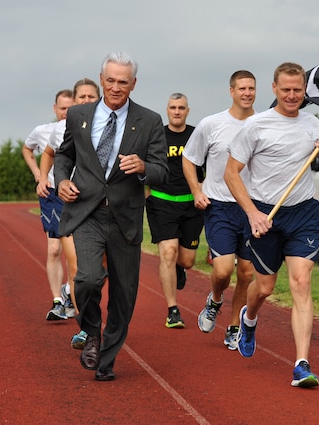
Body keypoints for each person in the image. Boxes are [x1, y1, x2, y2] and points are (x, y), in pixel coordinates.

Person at [223, 62, 319, 387]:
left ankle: (301, 364)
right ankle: (249, 319)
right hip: (264, 213)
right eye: (286, 89)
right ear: (274, 89)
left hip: (303, 213)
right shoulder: (256, 126)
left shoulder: (313, 123)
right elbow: (231, 174)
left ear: (305, 91)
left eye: (298, 90)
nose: (292, 95)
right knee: (264, 288)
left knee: (301, 283)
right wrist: (251, 213)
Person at [54, 52, 168, 381]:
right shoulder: (78, 115)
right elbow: (65, 155)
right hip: (86, 211)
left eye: (123, 82)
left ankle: (105, 360)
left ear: (133, 84)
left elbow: (162, 170)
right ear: (101, 79)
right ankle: (92, 332)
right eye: (111, 80)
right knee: (87, 279)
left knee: (124, 294)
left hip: (125, 216)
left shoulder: (149, 121)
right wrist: (62, 180)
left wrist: (145, 167)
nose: (116, 87)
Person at [182, 70, 256, 350]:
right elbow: (189, 161)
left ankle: (234, 326)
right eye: (242, 88)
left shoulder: (262, 124)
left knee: (247, 273)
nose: (247, 93)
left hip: (252, 208)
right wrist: (196, 191)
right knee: (224, 271)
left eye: (251, 88)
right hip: (219, 207)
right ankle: (214, 300)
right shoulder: (211, 124)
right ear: (231, 91)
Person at [38, 78, 101, 348]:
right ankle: (87, 329)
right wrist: (44, 179)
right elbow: (49, 154)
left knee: (99, 271)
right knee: (76, 267)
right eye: (82, 97)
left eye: (91, 96)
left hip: (100, 205)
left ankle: (70, 292)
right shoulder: (63, 128)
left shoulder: (111, 126)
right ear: (74, 101)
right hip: (69, 204)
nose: (86, 101)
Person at [145, 93, 204, 329]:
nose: (177, 111)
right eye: (173, 107)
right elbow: (143, 166)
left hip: (191, 204)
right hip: (162, 202)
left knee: (187, 260)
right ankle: (173, 310)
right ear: (167, 110)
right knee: (167, 253)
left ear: (187, 110)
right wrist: (146, 194)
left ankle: (180, 268)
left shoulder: (196, 135)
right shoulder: (156, 136)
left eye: (181, 108)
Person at [22, 89, 75, 321]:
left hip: (76, 195)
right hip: (52, 194)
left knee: (77, 254)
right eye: (63, 108)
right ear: (55, 109)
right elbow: (27, 148)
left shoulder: (83, 130)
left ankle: (70, 293)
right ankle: (57, 301)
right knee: (54, 249)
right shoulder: (42, 131)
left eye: (71, 108)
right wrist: (38, 175)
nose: (66, 113)